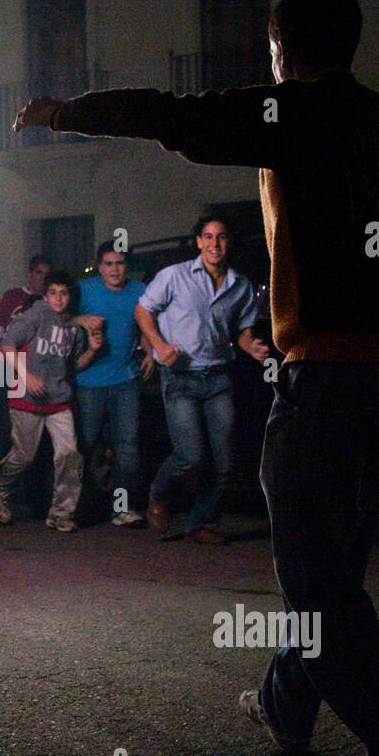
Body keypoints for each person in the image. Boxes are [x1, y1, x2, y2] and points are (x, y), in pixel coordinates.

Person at [16, 0, 379, 756]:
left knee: (320, 593)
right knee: (330, 573)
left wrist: (65, 112)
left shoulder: (297, 110)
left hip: (325, 378)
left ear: (283, 51)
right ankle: (286, 709)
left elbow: (173, 116)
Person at [134, 217, 269, 542]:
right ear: (198, 242)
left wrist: (250, 345)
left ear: (228, 242)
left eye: (221, 237)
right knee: (190, 457)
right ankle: (158, 494)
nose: (214, 244)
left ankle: (200, 523)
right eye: (208, 237)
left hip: (218, 378)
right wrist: (159, 344)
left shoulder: (240, 285)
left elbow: (242, 329)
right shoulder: (174, 276)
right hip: (180, 377)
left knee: (225, 461)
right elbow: (143, 310)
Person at [0, 270, 99, 532]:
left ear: (70, 296)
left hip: (58, 400)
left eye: (63, 293)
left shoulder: (73, 328)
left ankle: (61, 513)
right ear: (45, 296)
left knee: (69, 454)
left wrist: (93, 349)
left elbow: (73, 365)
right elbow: (6, 345)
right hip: (27, 398)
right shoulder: (36, 315)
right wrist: (27, 377)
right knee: (24, 455)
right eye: (53, 293)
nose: (58, 298)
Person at [73, 241, 154, 527]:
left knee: (127, 447)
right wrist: (80, 318)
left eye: (119, 263)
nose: (114, 269)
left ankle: (122, 508)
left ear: (126, 266)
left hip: (125, 379)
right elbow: (59, 316)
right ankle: (78, 506)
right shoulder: (84, 289)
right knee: (84, 445)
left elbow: (144, 325)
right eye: (108, 264)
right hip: (88, 380)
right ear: (99, 266)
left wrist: (149, 350)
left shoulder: (138, 290)